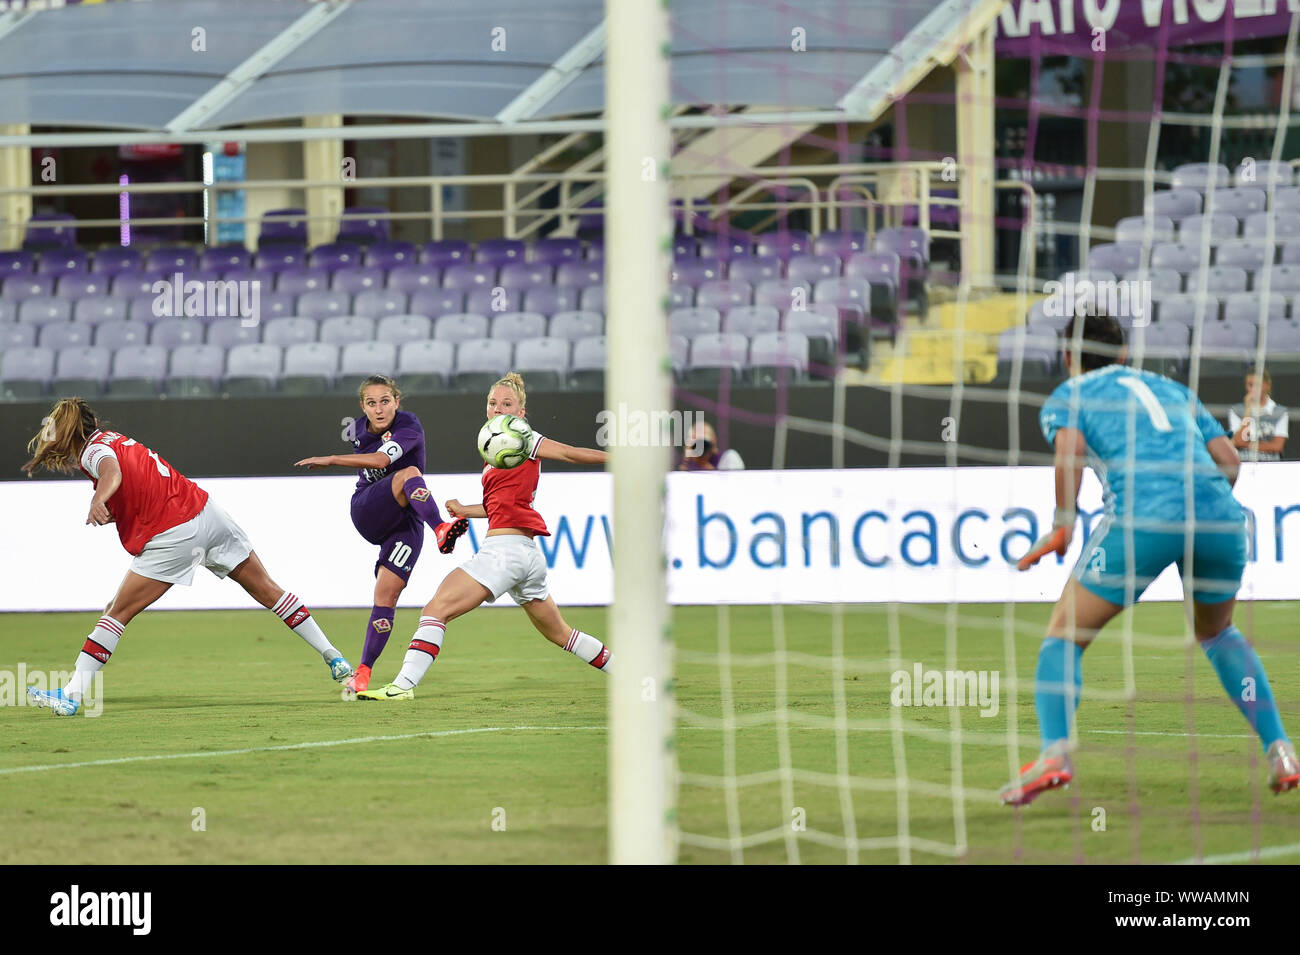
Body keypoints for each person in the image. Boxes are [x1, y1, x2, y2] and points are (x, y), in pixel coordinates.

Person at [999, 313, 1298, 806]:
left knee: (1064, 635)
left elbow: (1069, 451)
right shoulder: (1172, 389)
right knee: (1219, 632)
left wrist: (1063, 524)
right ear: (1121, 353)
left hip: (1143, 518)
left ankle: (1055, 754)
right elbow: (1229, 462)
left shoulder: (1070, 396)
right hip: (1220, 517)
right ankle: (1282, 750)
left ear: (1069, 357)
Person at [22, 397, 354, 716]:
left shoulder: (94, 451)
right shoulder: (116, 438)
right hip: (208, 513)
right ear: (94, 421)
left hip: (175, 533)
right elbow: (131, 479)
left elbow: (112, 473)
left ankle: (71, 695)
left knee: (116, 612)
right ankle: (333, 655)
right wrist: (112, 504)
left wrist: (99, 500)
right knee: (269, 590)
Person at [357, 372, 612, 701]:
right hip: (525, 555)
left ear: (521, 412)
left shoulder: (523, 437)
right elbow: (502, 505)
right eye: (493, 403)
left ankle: (402, 686)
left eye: (507, 404)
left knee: (436, 609)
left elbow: (568, 453)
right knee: (561, 634)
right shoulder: (497, 448)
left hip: (504, 553)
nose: (498, 409)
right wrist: (466, 509)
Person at [294, 375, 468, 693]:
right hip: (368, 509)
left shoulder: (408, 426)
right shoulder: (360, 429)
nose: (379, 408)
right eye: (371, 403)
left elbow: (380, 458)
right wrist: (335, 458)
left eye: (385, 401)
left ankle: (363, 671)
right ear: (363, 406)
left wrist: (332, 459)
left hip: (406, 525)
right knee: (409, 473)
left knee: (386, 596)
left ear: (396, 401)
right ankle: (441, 528)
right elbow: (378, 462)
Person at [1228, 368, 1288, 462]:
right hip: (1244, 464)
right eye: (1250, 385)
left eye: (1257, 385)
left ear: (1268, 385)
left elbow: (1277, 446)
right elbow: (1239, 440)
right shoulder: (1236, 411)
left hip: (1271, 465)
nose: (1253, 389)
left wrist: (1246, 445)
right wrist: (1247, 410)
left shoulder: (1280, 412)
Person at [678, 418, 744, 471]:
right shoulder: (690, 464)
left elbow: (733, 484)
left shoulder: (728, 457)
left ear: (714, 441)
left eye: (704, 442)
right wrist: (686, 462)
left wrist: (705, 466)